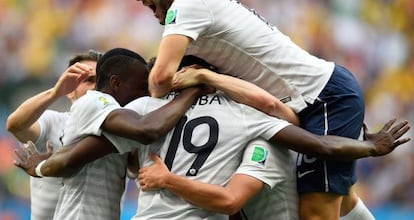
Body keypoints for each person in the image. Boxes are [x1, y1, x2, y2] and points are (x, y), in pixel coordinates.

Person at [133, 0, 390, 219]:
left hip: (321, 97)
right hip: (316, 97)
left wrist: (175, 93)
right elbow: (272, 106)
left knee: (316, 212)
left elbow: (160, 81)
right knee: (343, 200)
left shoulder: (187, 5)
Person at [15, 54, 410, 219]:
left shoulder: (142, 111)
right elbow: (321, 144)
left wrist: (44, 165)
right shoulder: (249, 117)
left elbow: (81, 155)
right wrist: (370, 147)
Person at [14, 48, 203, 220]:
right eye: (141, 87)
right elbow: (148, 130)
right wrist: (193, 91)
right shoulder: (94, 101)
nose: (145, 95)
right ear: (115, 83)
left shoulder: (120, 121)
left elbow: (82, 156)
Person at [6, 50, 101, 220]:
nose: (95, 87)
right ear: (71, 91)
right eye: (89, 80)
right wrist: (55, 92)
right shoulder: (53, 121)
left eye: (101, 81)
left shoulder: (120, 130)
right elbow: (15, 125)